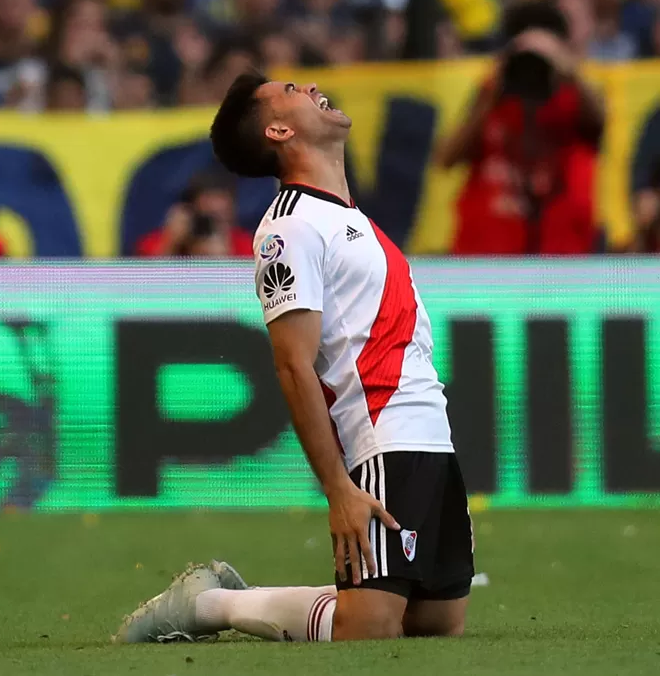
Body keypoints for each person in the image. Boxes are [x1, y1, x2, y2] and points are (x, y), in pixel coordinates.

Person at [116, 71, 470, 644]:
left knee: (436, 621)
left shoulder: (350, 217)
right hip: (380, 434)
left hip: (430, 435)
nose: (308, 85)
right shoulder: (289, 228)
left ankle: (226, 598)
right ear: (279, 129)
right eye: (289, 90)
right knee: (368, 628)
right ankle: (212, 604)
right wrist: (338, 489)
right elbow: (291, 364)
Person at [435, 0, 603, 255]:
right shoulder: (491, 95)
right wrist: (495, 85)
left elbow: (601, 126)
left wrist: (567, 70)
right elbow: (446, 158)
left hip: (562, 263)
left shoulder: (575, 99)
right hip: (485, 260)